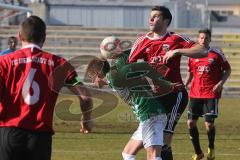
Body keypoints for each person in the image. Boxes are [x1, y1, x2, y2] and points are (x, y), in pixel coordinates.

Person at [0, 15, 93, 160]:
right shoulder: (59, 64)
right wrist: (86, 119)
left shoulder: (4, 62)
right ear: (44, 37)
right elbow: (85, 97)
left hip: (9, 133)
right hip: (40, 137)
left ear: (19, 36)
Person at [127, 6, 208, 160]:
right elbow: (129, 69)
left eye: (156, 16)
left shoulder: (175, 39)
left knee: (163, 141)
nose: (151, 19)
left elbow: (202, 51)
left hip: (175, 96)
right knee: (151, 142)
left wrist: (177, 51)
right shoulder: (142, 41)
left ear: (166, 21)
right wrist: (145, 83)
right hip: (153, 98)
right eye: (151, 16)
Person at [86, 36, 184, 160]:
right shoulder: (117, 70)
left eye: (91, 78)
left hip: (150, 115)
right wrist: (121, 50)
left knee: (153, 156)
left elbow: (144, 66)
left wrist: (166, 84)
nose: (92, 82)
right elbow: (128, 56)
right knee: (127, 153)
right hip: (147, 117)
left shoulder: (114, 76)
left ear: (97, 74)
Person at [184, 29, 231, 160]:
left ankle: (211, 147)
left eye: (206, 38)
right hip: (195, 93)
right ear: (198, 39)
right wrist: (185, 84)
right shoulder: (193, 55)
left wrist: (220, 83)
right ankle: (198, 152)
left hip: (211, 94)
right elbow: (190, 72)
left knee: (209, 124)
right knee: (190, 123)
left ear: (210, 39)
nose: (203, 40)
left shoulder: (217, 53)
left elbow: (228, 70)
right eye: (201, 38)